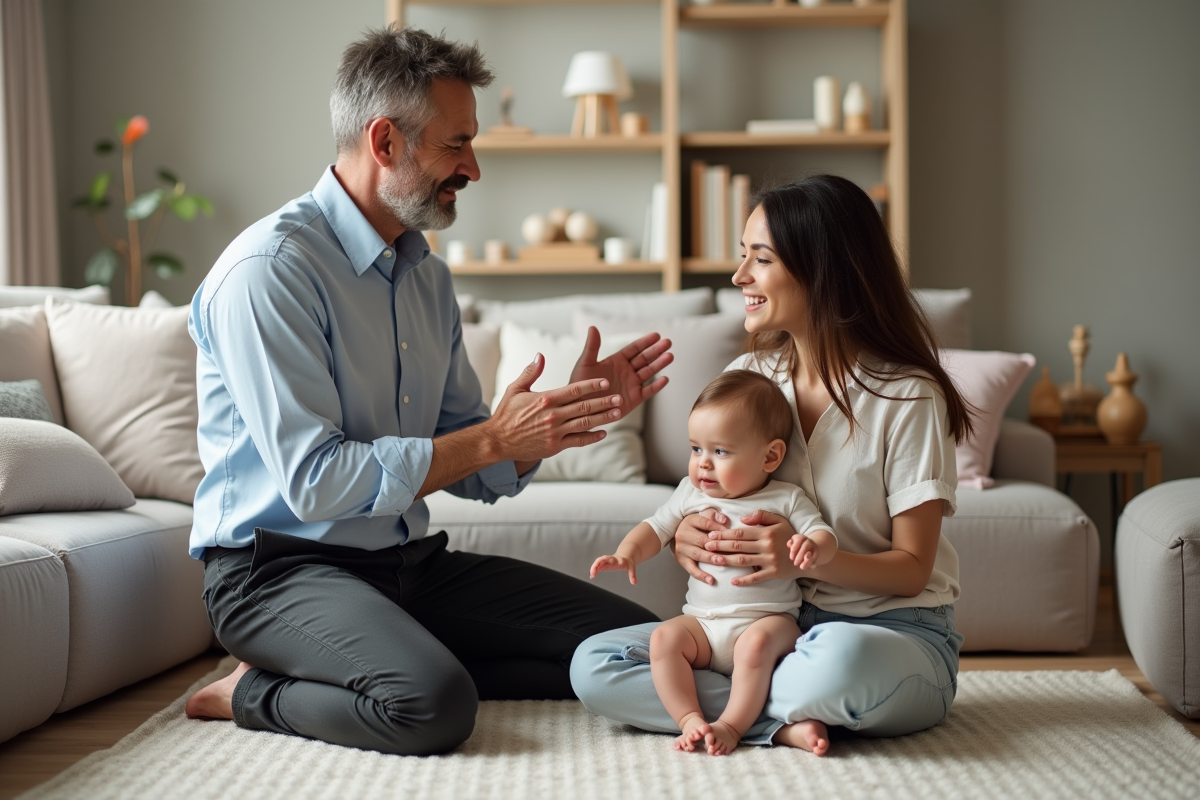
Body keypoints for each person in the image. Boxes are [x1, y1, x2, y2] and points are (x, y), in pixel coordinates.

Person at [181, 27, 668, 756]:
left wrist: (554, 422)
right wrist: (494, 438)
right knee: (434, 705)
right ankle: (252, 690)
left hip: (406, 566)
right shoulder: (269, 272)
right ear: (384, 142)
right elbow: (314, 484)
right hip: (275, 573)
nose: (472, 167)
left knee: (645, 645)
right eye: (455, 146)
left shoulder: (426, 278)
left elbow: (470, 451)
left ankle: (381, 654)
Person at [571, 174, 973, 757]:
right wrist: (685, 536)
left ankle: (751, 706)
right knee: (595, 664)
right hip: (768, 630)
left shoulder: (906, 397)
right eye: (743, 257)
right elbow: (706, 490)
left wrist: (805, 557)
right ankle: (772, 719)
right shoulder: (752, 379)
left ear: (823, 270)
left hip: (888, 632)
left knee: (839, 662)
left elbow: (912, 570)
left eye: (760, 259)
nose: (739, 278)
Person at [591, 370, 837, 756]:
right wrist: (627, 553)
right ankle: (689, 718)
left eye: (720, 452)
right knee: (664, 639)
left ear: (770, 456)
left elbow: (823, 534)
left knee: (754, 647)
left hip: (767, 622)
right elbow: (656, 527)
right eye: (696, 449)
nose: (703, 464)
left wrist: (813, 546)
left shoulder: (786, 498)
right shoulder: (690, 492)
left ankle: (732, 725)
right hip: (704, 626)